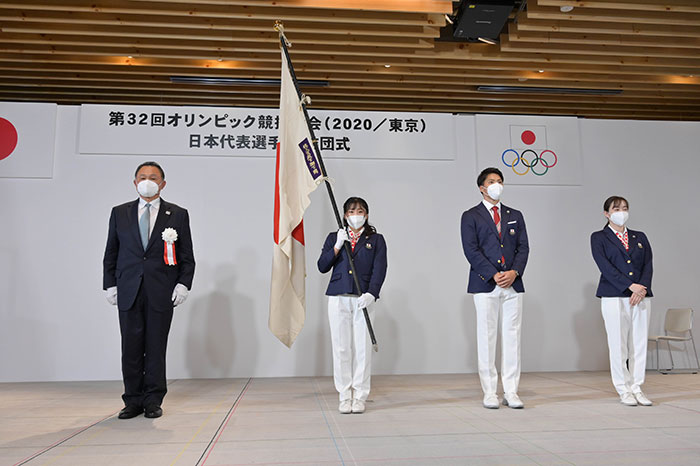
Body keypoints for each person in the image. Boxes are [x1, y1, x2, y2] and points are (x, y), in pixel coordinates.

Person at [103, 161, 195, 419]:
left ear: (163, 183)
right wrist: (110, 284)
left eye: (153, 177)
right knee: (130, 347)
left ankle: (153, 399)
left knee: (156, 346)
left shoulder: (177, 214)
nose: (147, 181)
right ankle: (132, 400)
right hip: (128, 289)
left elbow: (187, 256)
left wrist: (183, 283)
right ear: (134, 183)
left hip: (161, 290)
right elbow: (111, 251)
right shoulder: (119, 212)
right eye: (142, 177)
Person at [460, 167, 529, 409]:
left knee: (512, 338)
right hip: (485, 284)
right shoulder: (471, 216)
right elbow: (471, 250)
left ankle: (511, 390)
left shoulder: (515, 215)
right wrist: (493, 274)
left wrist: (514, 272)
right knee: (487, 338)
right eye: (491, 182)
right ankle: (490, 391)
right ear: (481, 187)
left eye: (499, 181)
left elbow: (523, 248)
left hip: (513, 285)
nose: (496, 185)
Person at [317, 197, 387, 414]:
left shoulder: (376, 239)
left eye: (360, 210)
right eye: (351, 211)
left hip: (362, 298)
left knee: (362, 349)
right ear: (345, 215)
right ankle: (344, 395)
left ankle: (360, 395)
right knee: (341, 348)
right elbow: (322, 266)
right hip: (338, 297)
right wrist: (337, 246)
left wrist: (372, 293)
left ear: (366, 214)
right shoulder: (334, 237)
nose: (356, 214)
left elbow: (380, 268)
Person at [591, 196, 653, 406]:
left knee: (639, 344)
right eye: (616, 209)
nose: (621, 212)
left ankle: (637, 387)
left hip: (641, 296)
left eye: (625, 208)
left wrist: (641, 287)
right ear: (607, 213)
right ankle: (623, 388)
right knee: (618, 345)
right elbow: (605, 267)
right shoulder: (598, 237)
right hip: (613, 295)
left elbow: (648, 264)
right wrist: (630, 285)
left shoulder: (640, 237)